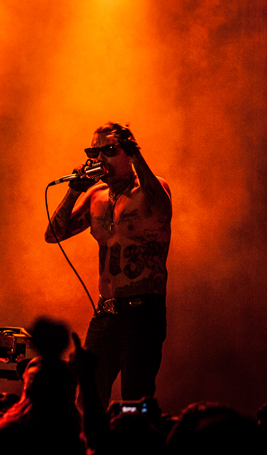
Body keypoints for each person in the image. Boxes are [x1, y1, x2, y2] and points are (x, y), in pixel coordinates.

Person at [45, 122, 172, 406]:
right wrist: (75, 191)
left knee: (134, 399)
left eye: (110, 150)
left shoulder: (152, 189)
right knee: (87, 396)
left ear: (128, 153)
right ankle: (90, 449)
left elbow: (162, 209)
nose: (100, 158)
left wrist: (138, 157)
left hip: (142, 312)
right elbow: (53, 235)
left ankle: (132, 447)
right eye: (94, 151)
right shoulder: (95, 196)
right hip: (106, 312)